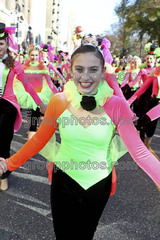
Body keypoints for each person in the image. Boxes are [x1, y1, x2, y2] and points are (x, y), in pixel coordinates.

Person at [0, 44, 160, 240]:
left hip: (98, 184)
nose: (86, 77)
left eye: (93, 70)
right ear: (70, 71)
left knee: (85, 235)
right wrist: (8, 165)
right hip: (63, 181)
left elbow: (140, 152)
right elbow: (38, 141)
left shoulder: (116, 105)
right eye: (79, 69)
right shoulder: (59, 101)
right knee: (63, 235)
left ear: (103, 72)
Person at [0, 23, 46, 190]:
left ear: (6, 44)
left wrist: (40, 104)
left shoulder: (14, 63)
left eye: (1, 44)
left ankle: (3, 174)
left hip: (7, 106)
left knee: (3, 142)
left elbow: (27, 85)